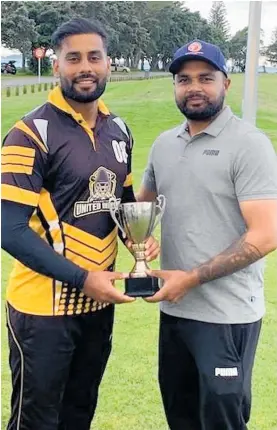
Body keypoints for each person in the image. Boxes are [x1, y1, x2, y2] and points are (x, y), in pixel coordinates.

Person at [1, 18, 159, 430]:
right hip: (43, 309)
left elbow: (121, 204)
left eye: (94, 56)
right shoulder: (29, 133)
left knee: (79, 414)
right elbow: (8, 228)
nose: (85, 66)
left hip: (99, 302)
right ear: (57, 66)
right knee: (35, 422)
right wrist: (83, 277)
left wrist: (137, 240)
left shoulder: (119, 129)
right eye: (74, 58)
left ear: (109, 63)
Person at [137, 39, 277, 430]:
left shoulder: (249, 145)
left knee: (221, 422)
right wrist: (140, 241)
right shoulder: (165, 145)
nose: (194, 87)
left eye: (205, 78)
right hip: (174, 311)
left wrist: (192, 278)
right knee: (180, 417)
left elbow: (266, 235)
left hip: (227, 315)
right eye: (184, 79)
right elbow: (142, 211)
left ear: (226, 84)